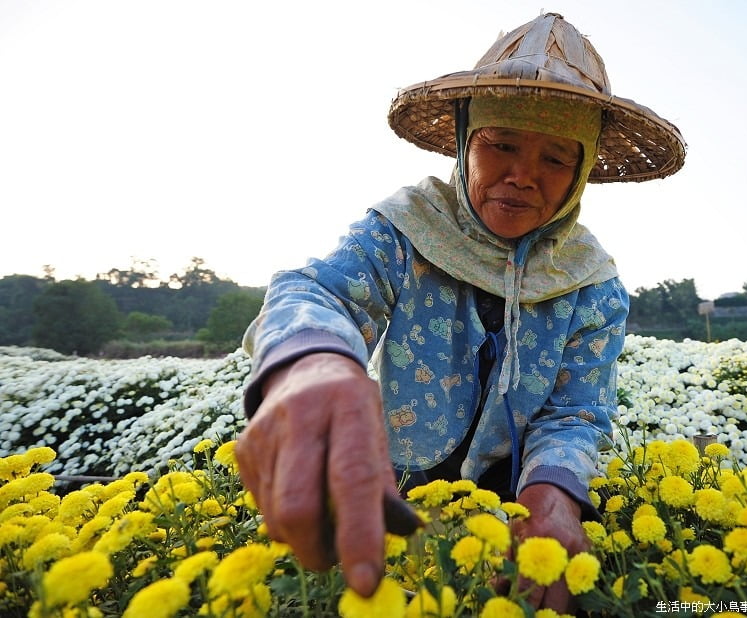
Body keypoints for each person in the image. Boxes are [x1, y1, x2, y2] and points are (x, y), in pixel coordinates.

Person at [235, 12, 685, 612]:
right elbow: (320, 292)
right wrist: (313, 365)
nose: (522, 176)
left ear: (580, 174)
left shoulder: (592, 284)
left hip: (518, 501)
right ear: (465, 142)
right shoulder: (406, 229)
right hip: (391, 489)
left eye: (556, 158)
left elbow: (576, 411)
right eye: (500, 145)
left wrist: (553, 501)